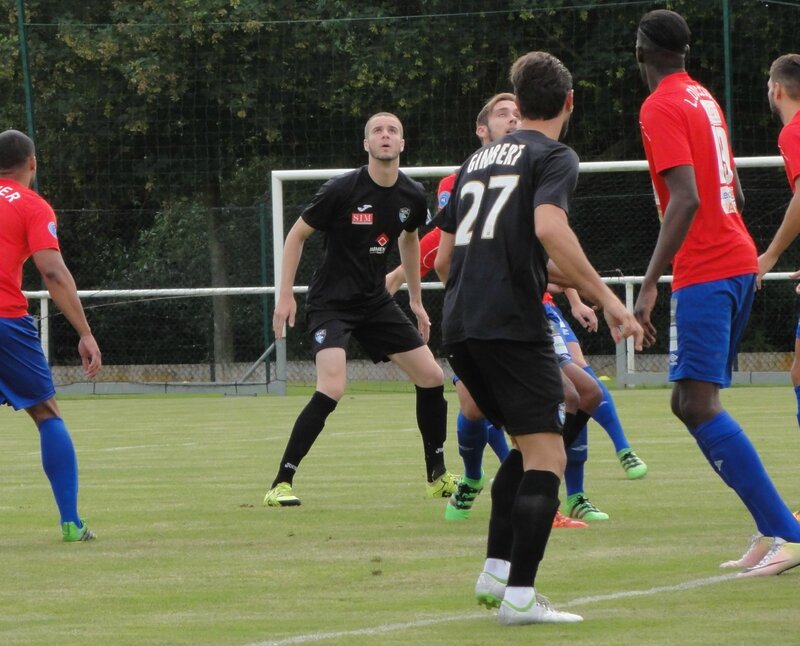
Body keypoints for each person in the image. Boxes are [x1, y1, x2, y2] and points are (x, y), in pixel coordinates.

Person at [436, 51, 643, 625]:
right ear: (569, 103)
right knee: (549, 453)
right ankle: (522, 599)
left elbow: (444, 260)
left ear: (518, 104)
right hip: (510, 327)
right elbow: (549, 228)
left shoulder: (476, 161)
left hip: (461, 324)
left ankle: (496, 572)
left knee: (529, 447)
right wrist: (606, 299)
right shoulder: (555, 155)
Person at [633, 10, 800, 576]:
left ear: (641, 51)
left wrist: (652, 280)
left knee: (696, 403)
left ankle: (788, 532)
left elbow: (686, 197)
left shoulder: (659, 104)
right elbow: (731, 185)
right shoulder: (703, 96)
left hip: (706, 266)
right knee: (690, 402)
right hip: (733, 258)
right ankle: (770, 525)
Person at [263, 112, 457, 507]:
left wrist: (416, 301)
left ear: (402, 144)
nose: (385, 137)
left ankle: (437, 477)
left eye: (393, 132)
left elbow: (409, 241)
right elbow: (297, 235)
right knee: (333, 386)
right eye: (377, 132)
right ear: (366, 144)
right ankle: (281, 482)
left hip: (374, 302)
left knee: (432, 376)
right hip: (331, 303)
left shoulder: (412, 195)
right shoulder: (341, 189)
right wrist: (285, 294)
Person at [0, 129, 102, 542]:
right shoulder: (31, 206)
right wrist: (85, 332)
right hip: (5, 321)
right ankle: (71, 523)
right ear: (32, 163)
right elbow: (53, 271)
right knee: (46, 414)